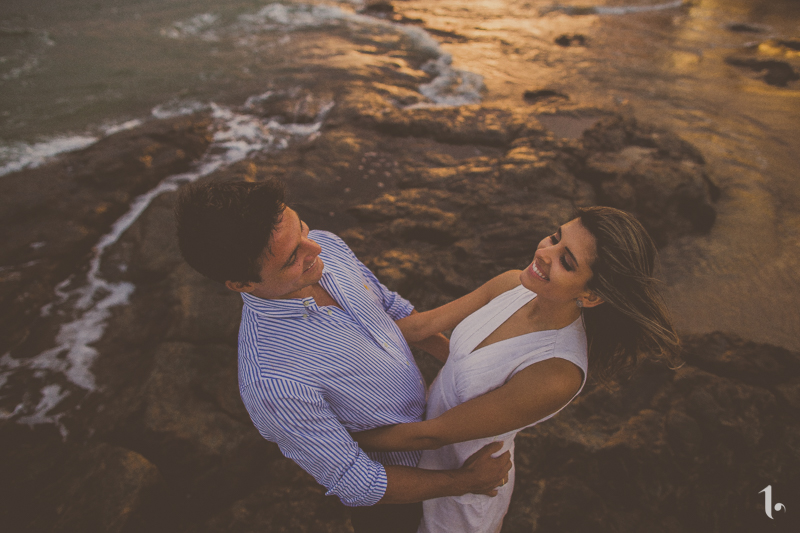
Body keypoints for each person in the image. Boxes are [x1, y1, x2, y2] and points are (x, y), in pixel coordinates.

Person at [173, 178, 511, 533]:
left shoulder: (327, 246)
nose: (314, 248)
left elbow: (392, 309)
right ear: (242, 284)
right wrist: (463, 481)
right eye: (292, 258)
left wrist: (464, 366)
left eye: (301, 227)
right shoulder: (272, 382)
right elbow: (359, 482)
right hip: (400, 505)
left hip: (446, 428)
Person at [352, 206, 681, 533]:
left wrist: (336, 440)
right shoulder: (511, 284)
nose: (544, 253)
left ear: (591, 295)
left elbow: (435, 434)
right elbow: (426, 328)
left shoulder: (557, 372)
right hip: (407, 449)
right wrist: (331, 323)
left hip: (464, 481)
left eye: (566, 261)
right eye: (555, 237)